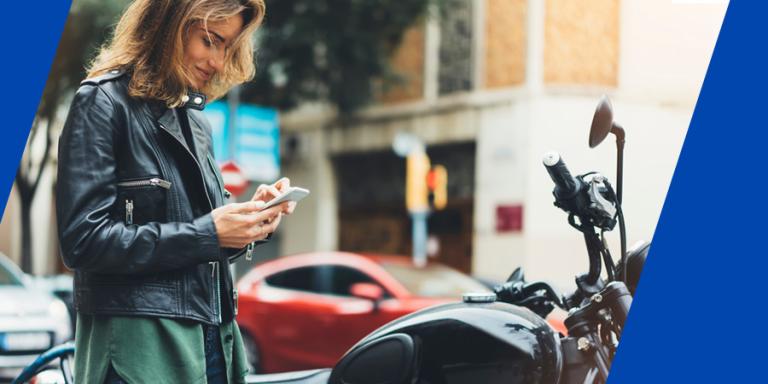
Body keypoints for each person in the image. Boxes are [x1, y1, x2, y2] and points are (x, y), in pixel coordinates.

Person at [55, 1, 289, 382]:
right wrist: (208, 234)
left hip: (214, 341)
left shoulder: (196, 122)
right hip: (139, 350)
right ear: (170, 25)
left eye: (227, 47)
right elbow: (83, 241)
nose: (217, 61)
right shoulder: (102, 102)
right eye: (209, 40)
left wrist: (252, 220)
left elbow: (199, 244)